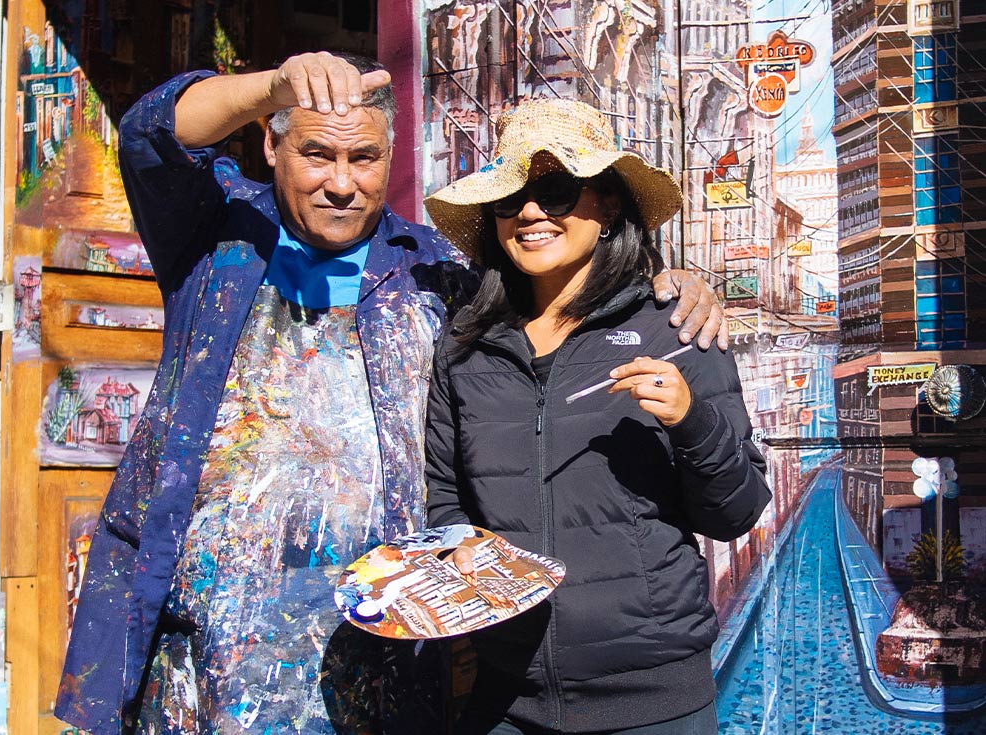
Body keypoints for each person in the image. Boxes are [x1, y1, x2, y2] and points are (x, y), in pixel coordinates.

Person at [54, 52, 727, 735]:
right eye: (317, 154)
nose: (341, 183)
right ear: (271, 145)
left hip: (387, 652)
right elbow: (150, 135)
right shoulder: (215, 238)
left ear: (391, 157)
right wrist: (270, 88)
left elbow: (562, 297)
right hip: (211, 648)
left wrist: (668, 287)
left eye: (365, 158)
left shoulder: (438, 274)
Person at [423, 98, 772, 734]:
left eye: (556, 191)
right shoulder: (466, 346)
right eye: (510, 198)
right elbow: (446, 496)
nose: (531, 212)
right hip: (505, 698)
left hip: (653, 705)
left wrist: (691, 420)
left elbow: (736, 513)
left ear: (607, 206)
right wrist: (461, 547)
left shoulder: (675, 329)